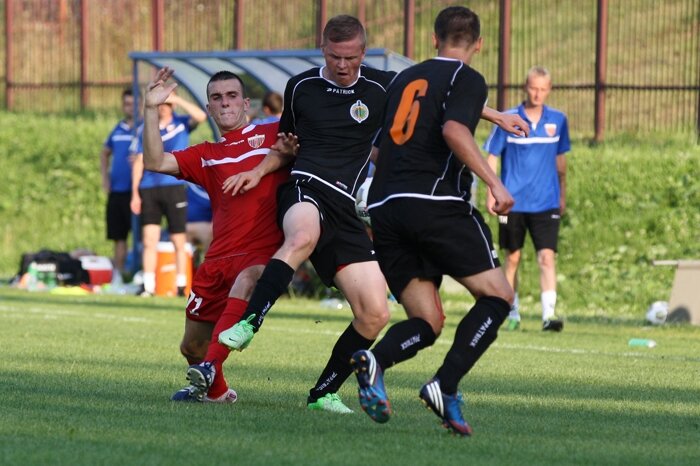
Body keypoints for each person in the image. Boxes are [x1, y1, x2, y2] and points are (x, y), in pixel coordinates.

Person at [217, 14, 528, 414]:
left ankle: (328, 390)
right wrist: (261, 170)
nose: (342, 64)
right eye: (334, 56)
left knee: (383, 313)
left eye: (350, 57)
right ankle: (250, 322)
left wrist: (496, 116)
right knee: (303, 236)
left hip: (358, 206)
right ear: (323, 50)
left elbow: (431, 101)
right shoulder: (301, 86)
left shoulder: (388, 84)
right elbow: (286, 147)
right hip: (320, 188)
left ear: (364, 52)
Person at [349, 5, 520, 437]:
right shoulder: (468, 77)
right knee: (498, 296)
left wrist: (493, 114)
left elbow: (378, 148)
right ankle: (444, 384)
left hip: (386, 209)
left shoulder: (404, 79)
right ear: (479, 44)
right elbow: (453, 130)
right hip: (434, 203)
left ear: (433, 39)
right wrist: (496, 184)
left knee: (427, 321)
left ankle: (375, 360)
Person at [140, 66, 295, 402]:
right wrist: (151, 108)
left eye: (232, 96)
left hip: (260, 254)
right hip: (217, 260)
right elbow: (154, 161)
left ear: (247, 104)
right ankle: (218, 392)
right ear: (209, 108)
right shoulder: (206, 154)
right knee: (191, 346)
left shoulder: (274, 133)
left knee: (248, 280)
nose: (225, 102)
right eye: (217, 98)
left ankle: (210, 366)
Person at [483, 66, 570, 332]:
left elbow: (561, 162)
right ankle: (512, 312)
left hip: (546, 202)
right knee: (512, 258)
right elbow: (492, 156)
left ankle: (548, 315)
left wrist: (563, 193)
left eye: (543, 89)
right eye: (533, 88)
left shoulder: (558, 120)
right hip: (513, 202)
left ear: (549, 90)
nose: (537, 94)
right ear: (525, 87)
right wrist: (491, 192)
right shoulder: (508, 118)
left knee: (547, 257)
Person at [130, 90, 207, 297]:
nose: (164, 107)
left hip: (174, 187)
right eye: (161, 103)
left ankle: (181, 286)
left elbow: (201, 116)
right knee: (149, 240)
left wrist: (177, 99)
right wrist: (135, 193)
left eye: (167, 103)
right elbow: (138, 160)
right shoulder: (147, 128)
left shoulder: (181, 123)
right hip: (149, 189)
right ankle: (148, 286)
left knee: (178, 239)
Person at [99, 88, 135, 279]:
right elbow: (105, 152)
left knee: (140, 235)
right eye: (127, 104)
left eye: (133, 104)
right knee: (118, 236)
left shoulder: (144, 127)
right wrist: (105, 179)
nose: (130, 107)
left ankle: (139, 273)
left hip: (137, 191)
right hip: (117, 191)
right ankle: (118, 275)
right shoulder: (118, 128)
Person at [185, 181, 213, 268]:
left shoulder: (215, 187)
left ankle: (209, 268)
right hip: (184, 225)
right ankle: (187, 270)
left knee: (211, 233)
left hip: (207, 227)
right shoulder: (187, 182)